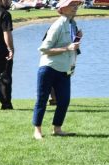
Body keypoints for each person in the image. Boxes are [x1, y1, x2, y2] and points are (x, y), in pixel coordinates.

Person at [32, 0, 82, 140]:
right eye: (72, 5)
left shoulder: (72, 24)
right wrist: (67, 48)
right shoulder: (58, 25)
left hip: (64, 69)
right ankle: (37, 131)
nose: (75, 8)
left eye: (76, 5)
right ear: (62, 9)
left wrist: (77, 40)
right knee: (42, 100)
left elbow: (72, 47)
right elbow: (44, 49)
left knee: (64, 100)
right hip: (48, 68)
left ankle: (57, 129)